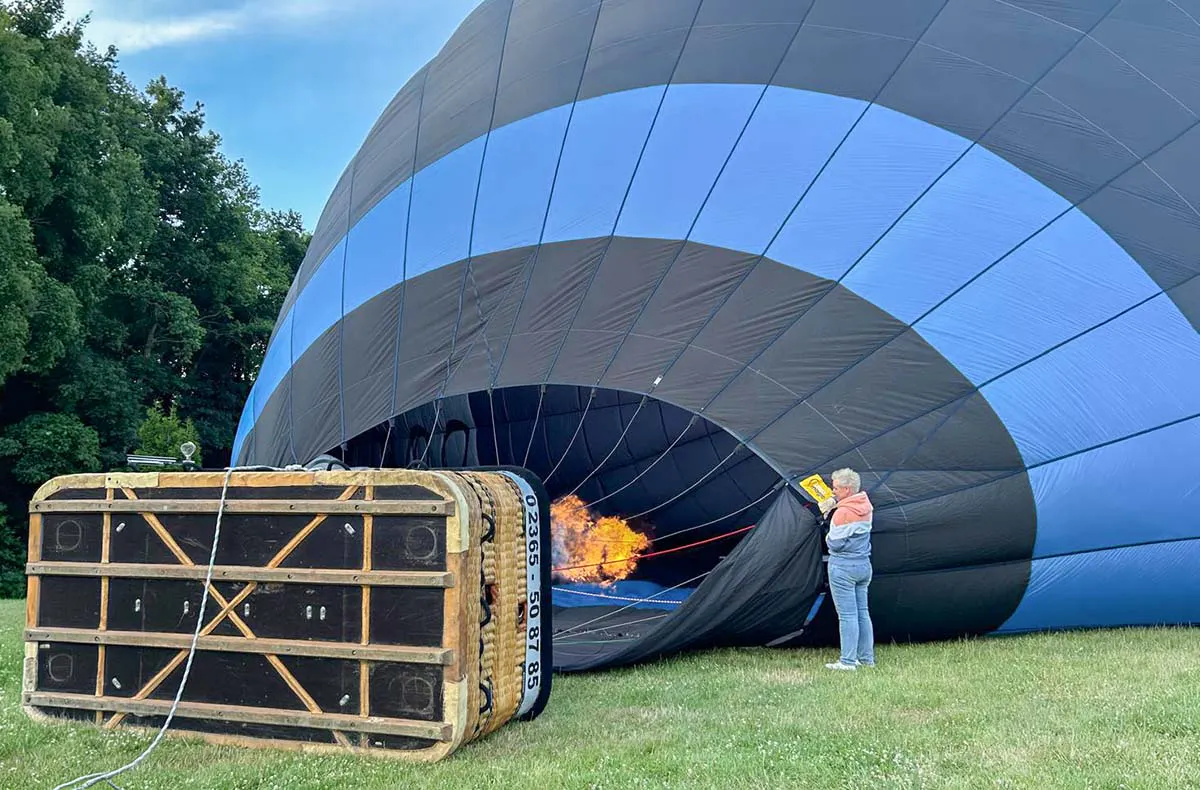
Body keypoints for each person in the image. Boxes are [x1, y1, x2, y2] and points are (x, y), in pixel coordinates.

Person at [817, 468, 875, 670]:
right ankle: (866, 659)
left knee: (847, 615)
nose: (833, 492)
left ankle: (848, 661)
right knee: (862, 612)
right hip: (863, 565)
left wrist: (827, 515)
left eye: (836, 489)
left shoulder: (842, 513)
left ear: (847, 489)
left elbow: (834, 543)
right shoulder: (866, 506)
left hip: (843, 568)